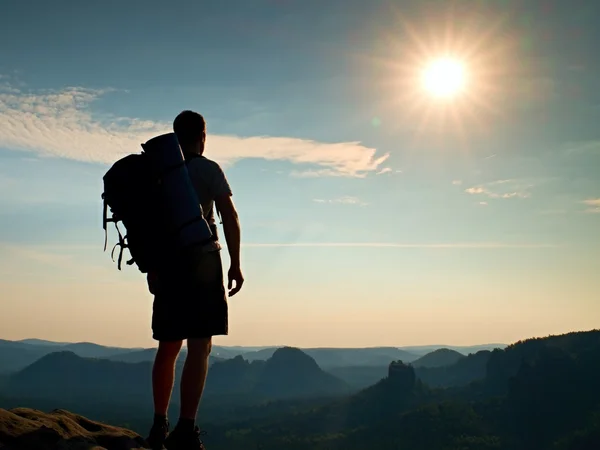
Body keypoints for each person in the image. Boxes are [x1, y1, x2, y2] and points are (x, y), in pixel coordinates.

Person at [146, 110, 244, 450]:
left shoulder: (157, 172)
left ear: (175, 136)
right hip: (203, 263)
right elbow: (229, 215)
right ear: (202, 135)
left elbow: (150, 225)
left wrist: (152, 268)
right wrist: (235, 264)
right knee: (200, 345)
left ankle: (159, 424)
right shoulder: (208, 169)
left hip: (168, 266)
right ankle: (186, 429)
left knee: (168, 347)